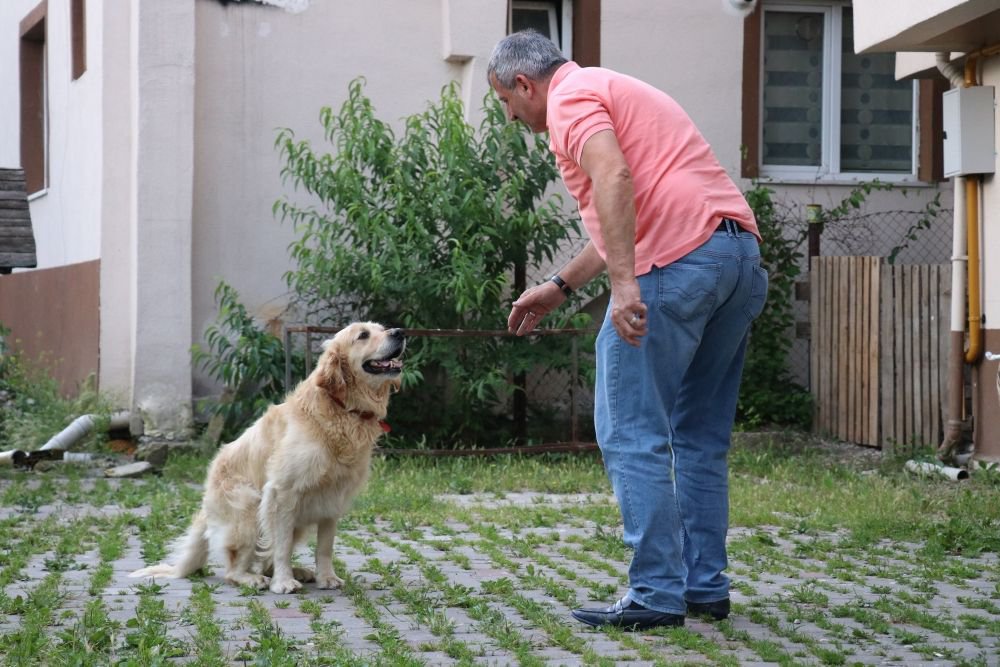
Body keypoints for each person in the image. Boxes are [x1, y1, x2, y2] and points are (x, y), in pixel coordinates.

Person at [487, 31, 768, 630]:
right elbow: (626, 210)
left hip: (676, 268)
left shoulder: (568, 100)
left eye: (506, 103)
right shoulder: (611, 87)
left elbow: (612, 177)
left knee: (630, 430)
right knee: (698, 436)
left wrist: (625, 287)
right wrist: (560, 287)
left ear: (524, 84)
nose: (511, 117)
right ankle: (703, 587)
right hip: (736, 261)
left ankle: (656, 592)